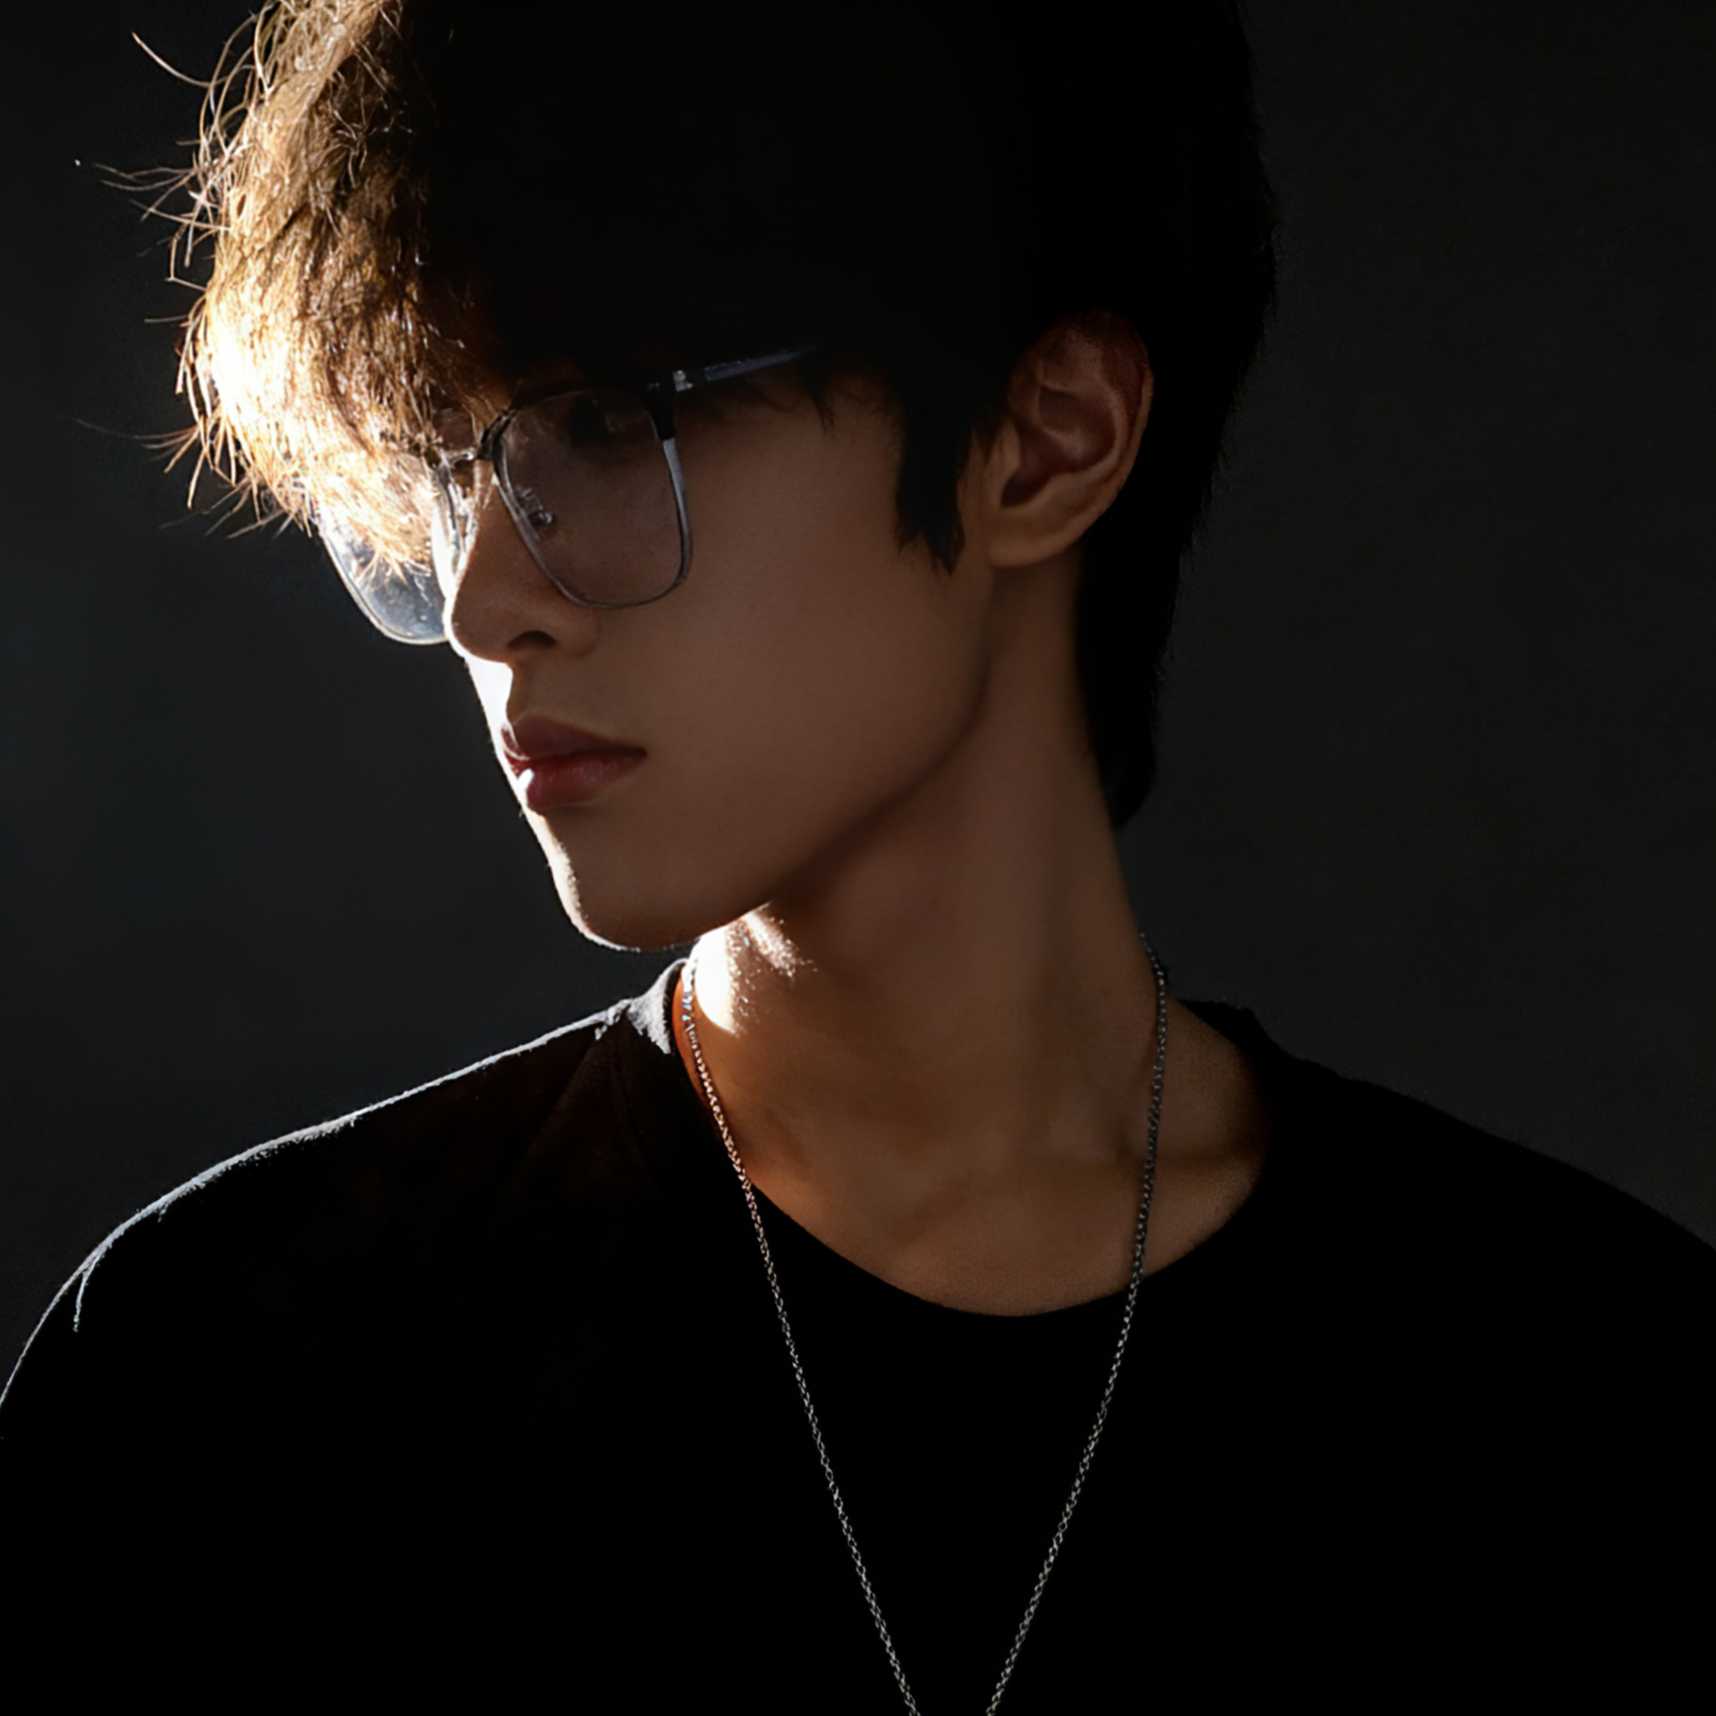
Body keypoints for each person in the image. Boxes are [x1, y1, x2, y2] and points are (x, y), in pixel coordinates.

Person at [3, 1, 1709, 1705]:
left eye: (602, 424)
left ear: (1046, 440)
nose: (482, 598)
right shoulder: (216, 1375)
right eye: (448, 466)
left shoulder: (1594, 1386)